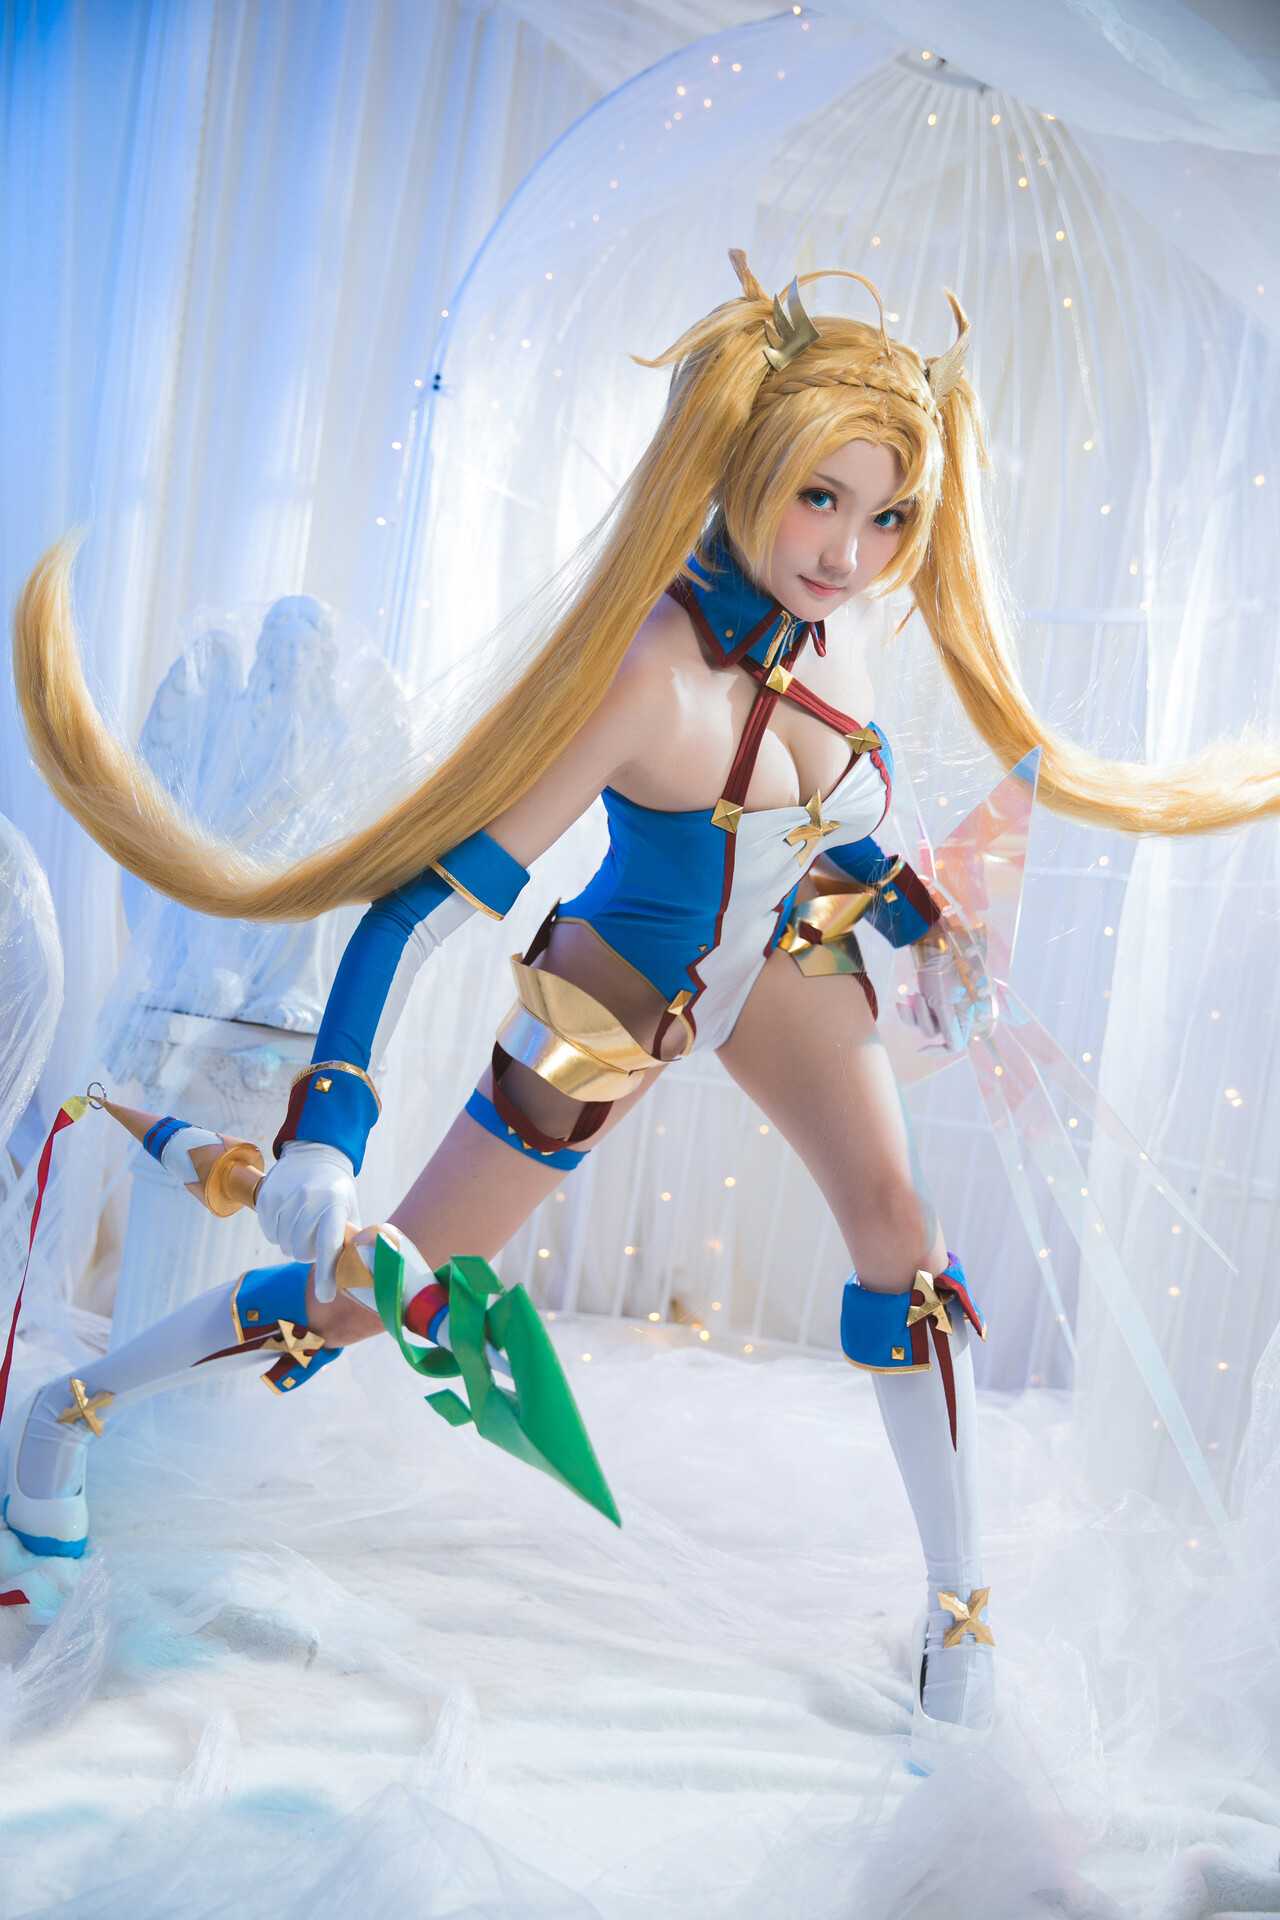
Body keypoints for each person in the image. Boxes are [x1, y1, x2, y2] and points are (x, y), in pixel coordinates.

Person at [8, 250, 1278, 1773]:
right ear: (745, 470)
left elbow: (836, 826)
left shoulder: (844, 633)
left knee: (904, 1242)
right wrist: (327, 1123)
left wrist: (919, 919)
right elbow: (416, 909)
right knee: (379, 1293)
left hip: (783, 968)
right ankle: (69, 1410)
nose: (851, 549)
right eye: (821, 499)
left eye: (887, 517)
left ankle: (960, 1608)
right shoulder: (646, 677)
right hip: (615, 998)